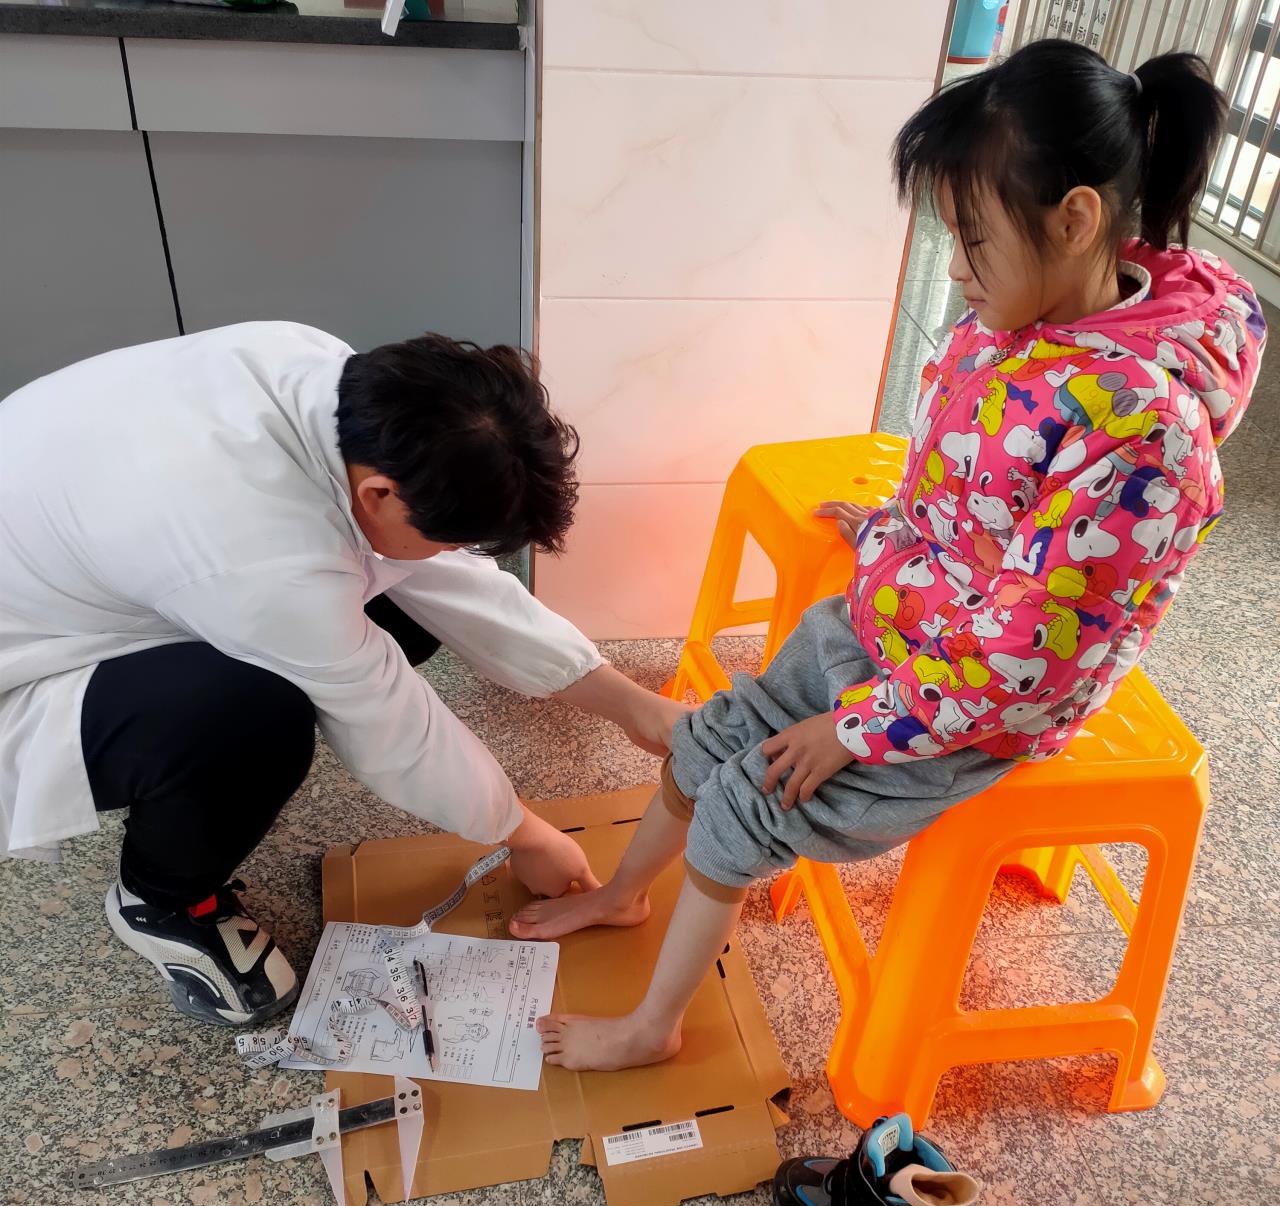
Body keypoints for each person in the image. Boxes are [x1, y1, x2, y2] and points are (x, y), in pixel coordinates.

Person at [510, 40, 1267, 1071]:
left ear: (1075, 220)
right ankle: (622, 894)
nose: (953, 270)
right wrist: (891, 531)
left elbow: (1024, 659)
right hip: (896, 634)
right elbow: (976, 487)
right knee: (708, 739)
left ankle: (653, 1028)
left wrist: (856, 728)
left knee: (745, 804)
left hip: (969, 707)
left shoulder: (1144, 434)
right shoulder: (1026, 321)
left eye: (972, 240)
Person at [0, 325, 685, 1027]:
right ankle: (159, 899)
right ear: (381, 492)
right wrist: (525, 834)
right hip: (26, 669)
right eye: (452, 536)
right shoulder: (260, 558)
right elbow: (389, 723)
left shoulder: (326, 376)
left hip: (95, 560)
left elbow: (450, 581)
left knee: (399, 594)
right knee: (257, 715)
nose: (453, 553)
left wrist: (627, 702)